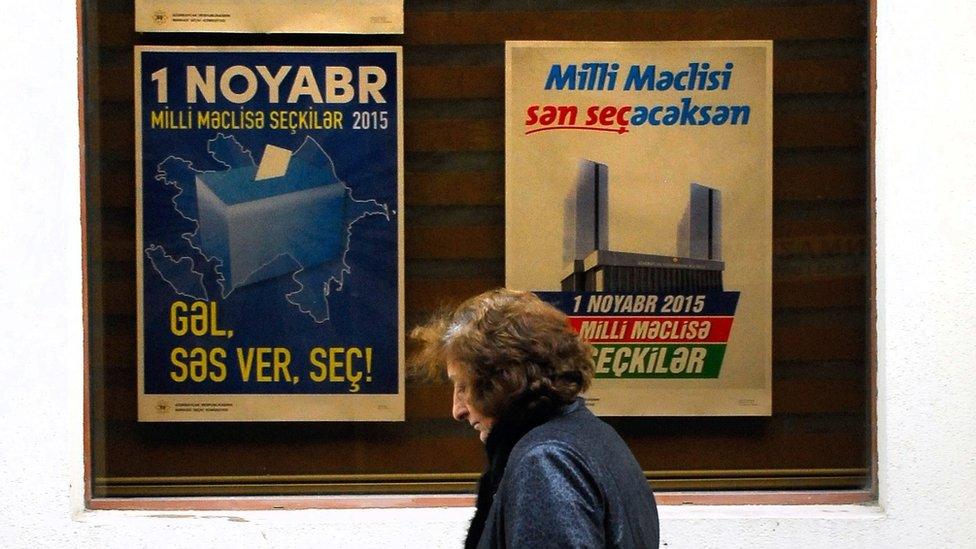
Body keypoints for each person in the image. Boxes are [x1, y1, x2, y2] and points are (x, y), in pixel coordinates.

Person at [411, 289, 659, 548]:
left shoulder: (546, 461)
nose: (457, 410)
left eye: (463, 386)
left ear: (502, 381)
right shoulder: (595, 437)